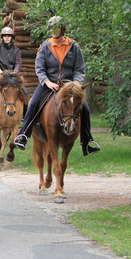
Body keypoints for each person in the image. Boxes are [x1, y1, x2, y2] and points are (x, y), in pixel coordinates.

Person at [13, 16, 100, 156]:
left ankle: (87, 142)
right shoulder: (45, 46)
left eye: (56, 28)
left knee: (86, 110)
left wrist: (76, 83)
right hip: (49, 84)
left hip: (70, 86)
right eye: (51, 28)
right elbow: (39, 68)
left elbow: (80, 69)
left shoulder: (73, 46)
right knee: (33, 102)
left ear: (62, 29)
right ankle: (23, 135)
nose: (53, 31)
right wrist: (47, 82)